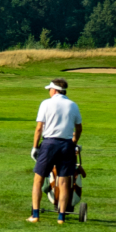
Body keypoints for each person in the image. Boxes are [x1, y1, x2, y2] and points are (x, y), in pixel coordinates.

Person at [30, 78, 82, 224]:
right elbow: (79, 128)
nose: (49, 92)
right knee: (65, 182)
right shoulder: (73, 105)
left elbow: (39, 128)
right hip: (67, 145)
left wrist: (35, 147)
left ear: (54, 90)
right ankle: (61, 217)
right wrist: (74, 142)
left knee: (38, 179)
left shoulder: (46, 103)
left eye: (49, 89)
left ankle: (35, 215)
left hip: (49, 144)